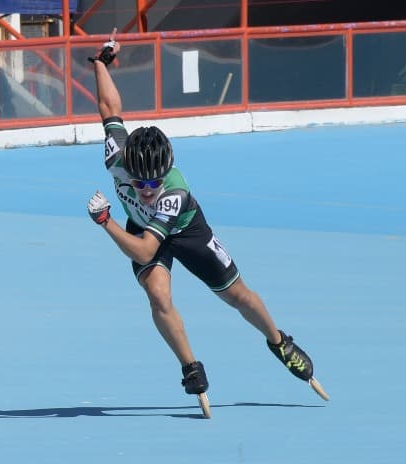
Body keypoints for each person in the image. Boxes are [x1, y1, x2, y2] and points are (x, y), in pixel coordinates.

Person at [86, 32, 329, 402]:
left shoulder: (173, 194)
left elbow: (143, 251)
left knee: (238, 296)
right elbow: (108, 106)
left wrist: (107, 222)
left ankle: (279, 342)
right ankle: (190, 368)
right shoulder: (116, 154)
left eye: (155, 181)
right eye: (140, 182)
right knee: (158, 296)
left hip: (184, 231)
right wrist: (100, 63)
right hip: (142, 227)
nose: (148, 188)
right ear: (126, 168)